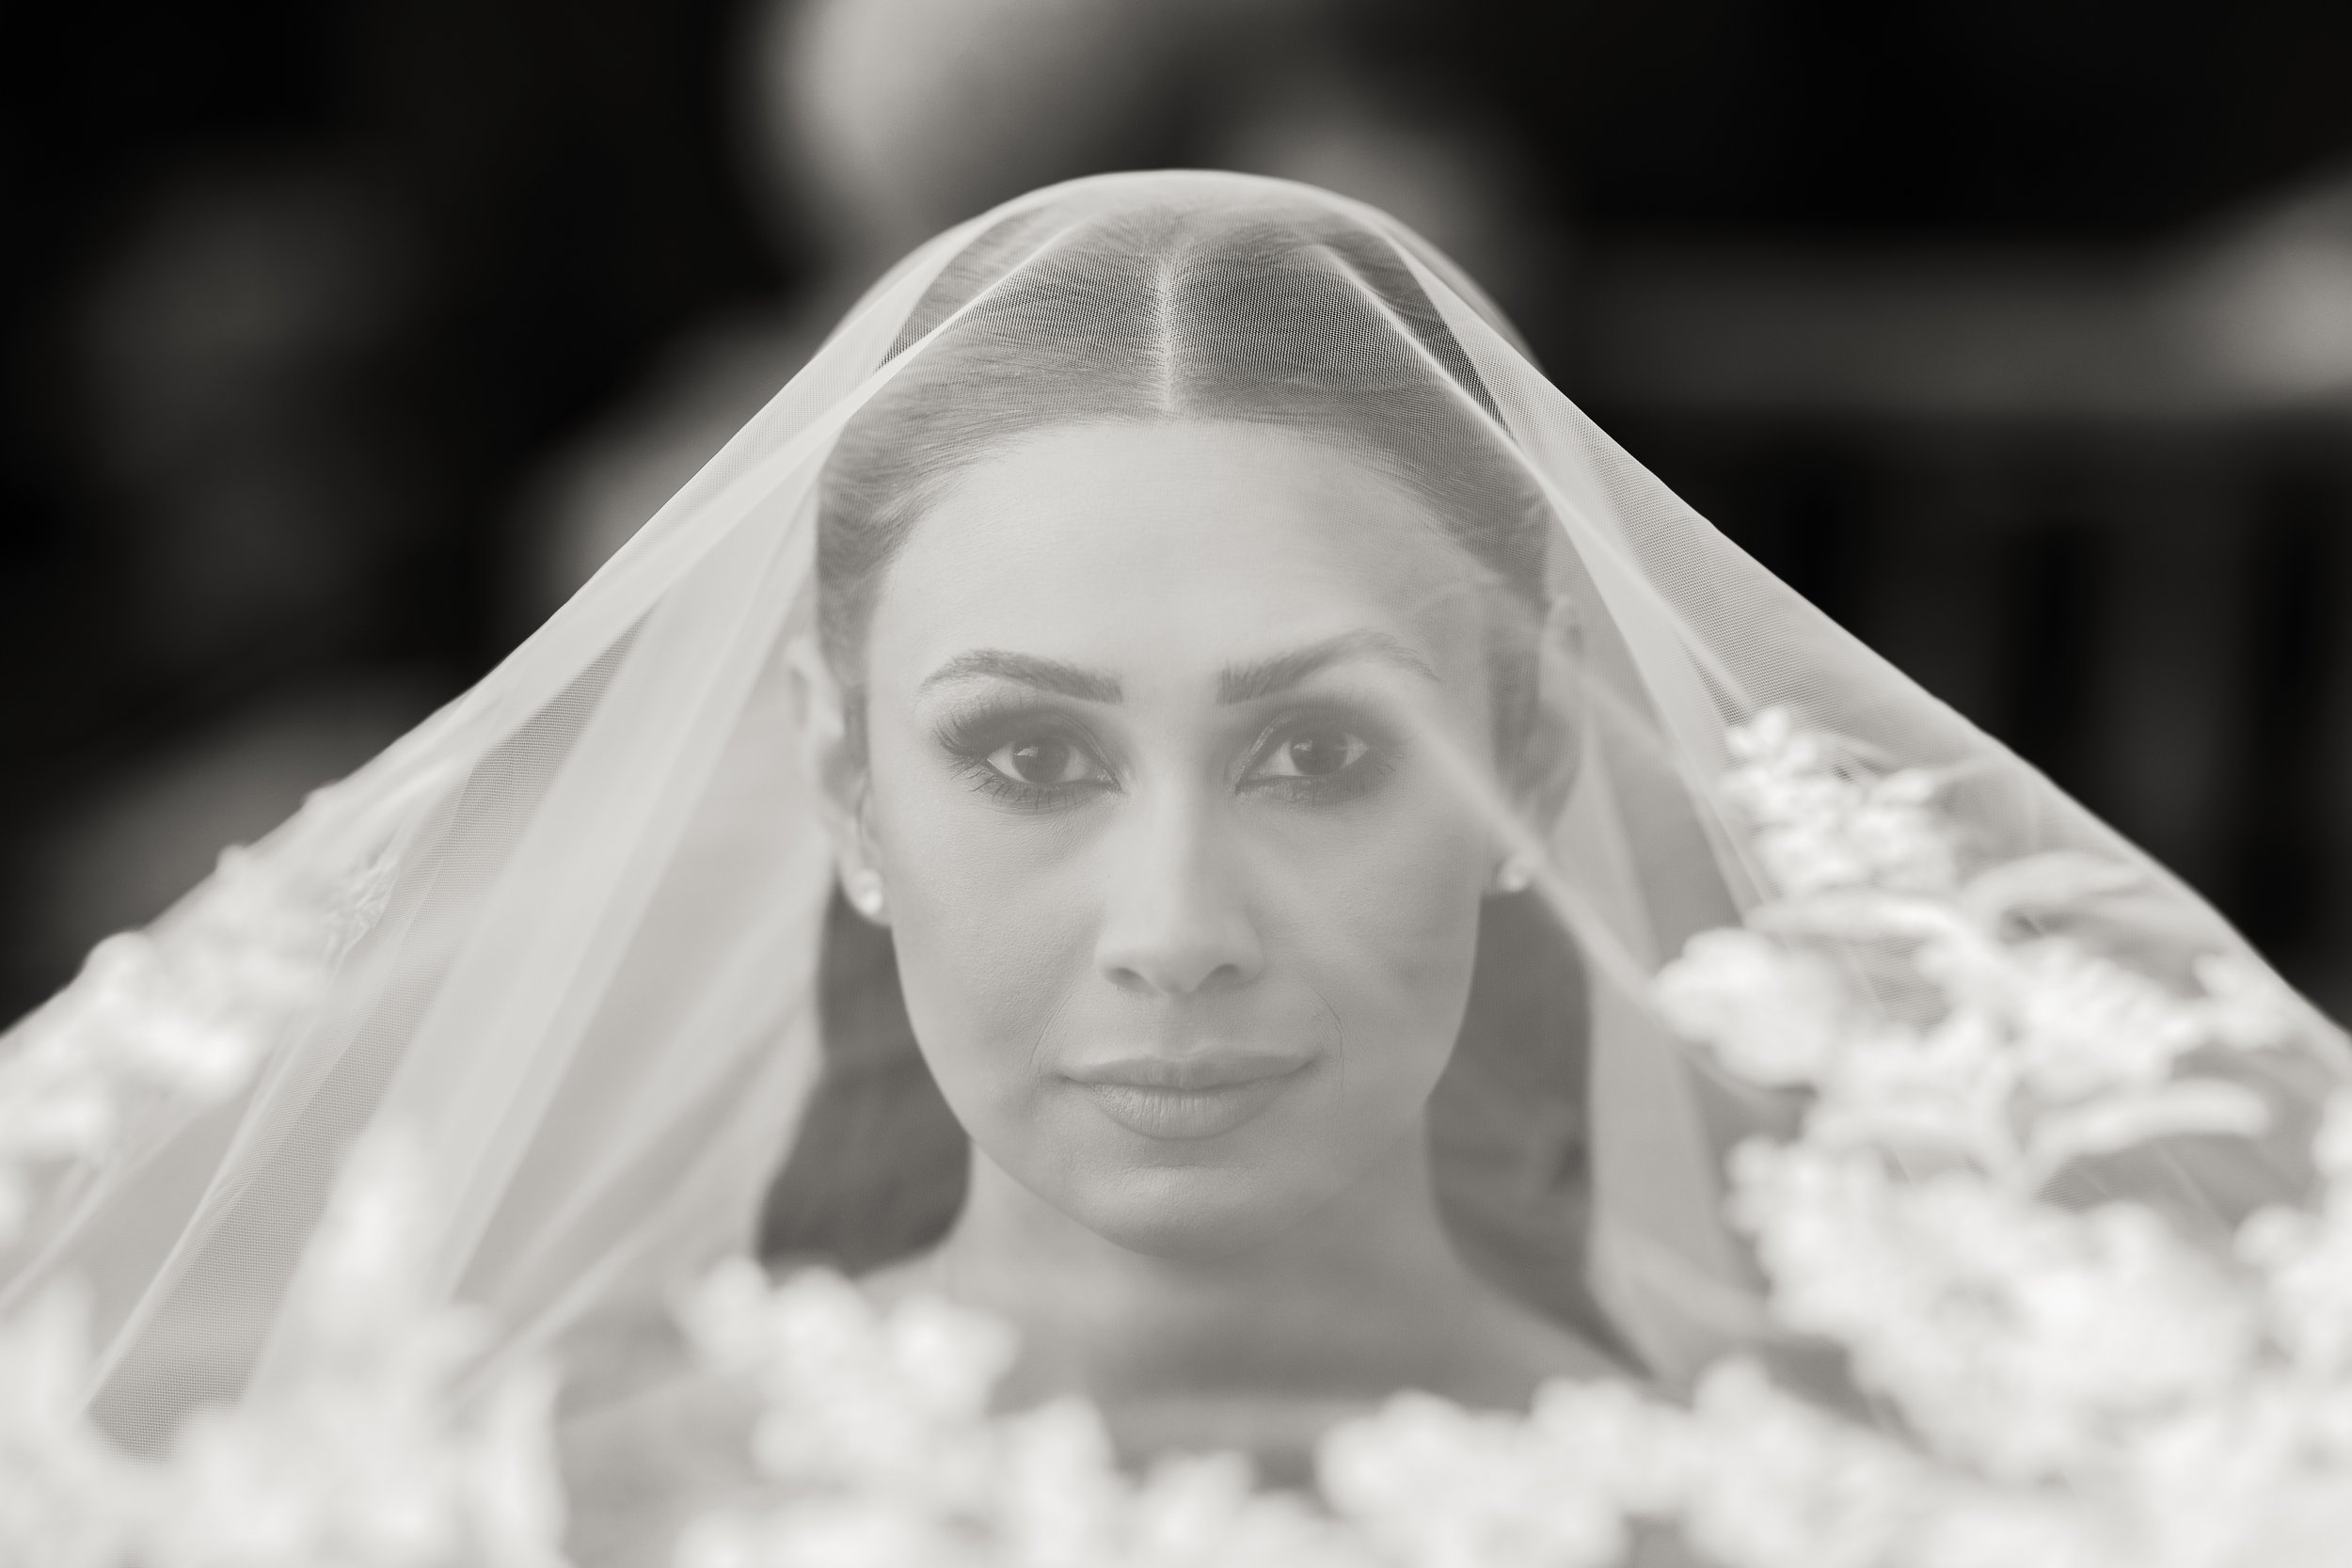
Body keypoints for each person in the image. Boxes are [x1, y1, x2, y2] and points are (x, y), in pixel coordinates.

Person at [6, 171, 2344, 1567]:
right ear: (842, 786)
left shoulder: (1884, 1502)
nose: (1176, 933)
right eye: (1026, 756)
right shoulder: (511, 1499)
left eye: (1318, 751)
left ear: (1525, 755)